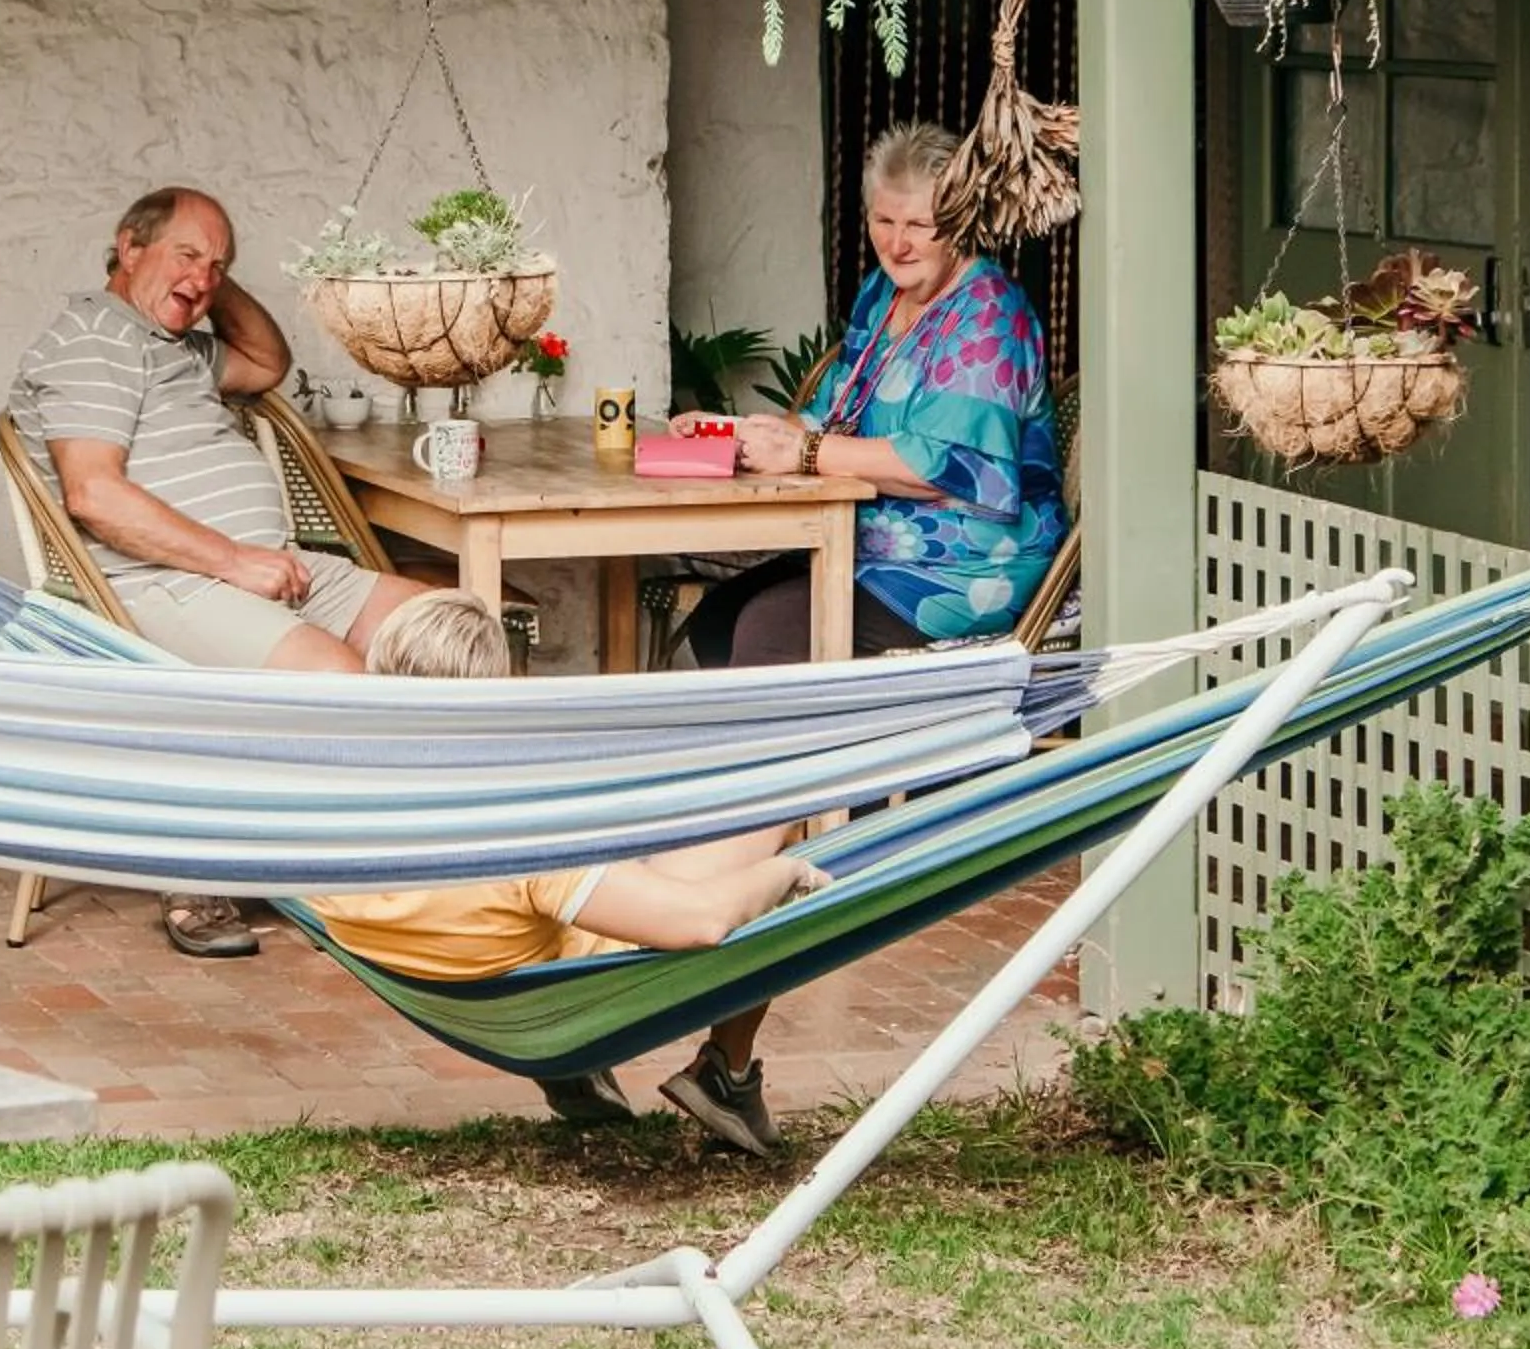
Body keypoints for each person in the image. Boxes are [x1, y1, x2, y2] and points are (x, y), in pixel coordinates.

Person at [10, 183, 423, 957]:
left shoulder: (175, 346)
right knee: (341, 684)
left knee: (448, 632)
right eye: (185, 254)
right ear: (128, 246)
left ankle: (461, 854)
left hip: (268, 568)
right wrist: (234, 561)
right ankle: (295, 873)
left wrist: (202, 282)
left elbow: (267, 362)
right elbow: (94, 494)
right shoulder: (92, 340)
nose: (202, 278)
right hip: (162, 582)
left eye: (219, 264)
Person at [306, 592, 825, 1153]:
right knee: (773, 812)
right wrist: (786, 872)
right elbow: (699, 922)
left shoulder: (324, 815)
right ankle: (727, 1071)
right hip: (584, 989)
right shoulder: (515, 836)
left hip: (482, 987)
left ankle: (578, 1070)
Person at [679, 120, 1066, 669]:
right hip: (869, 542)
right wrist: (745, 434)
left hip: (964, 566)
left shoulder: (988, 314)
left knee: (770, 631)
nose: (897, 244)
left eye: (919, 225)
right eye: (884, 220)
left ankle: (816, 731)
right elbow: (833, 414)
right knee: (718, 617)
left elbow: (940, 466)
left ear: (960, 223)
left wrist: (804, 452)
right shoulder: (882, 293)